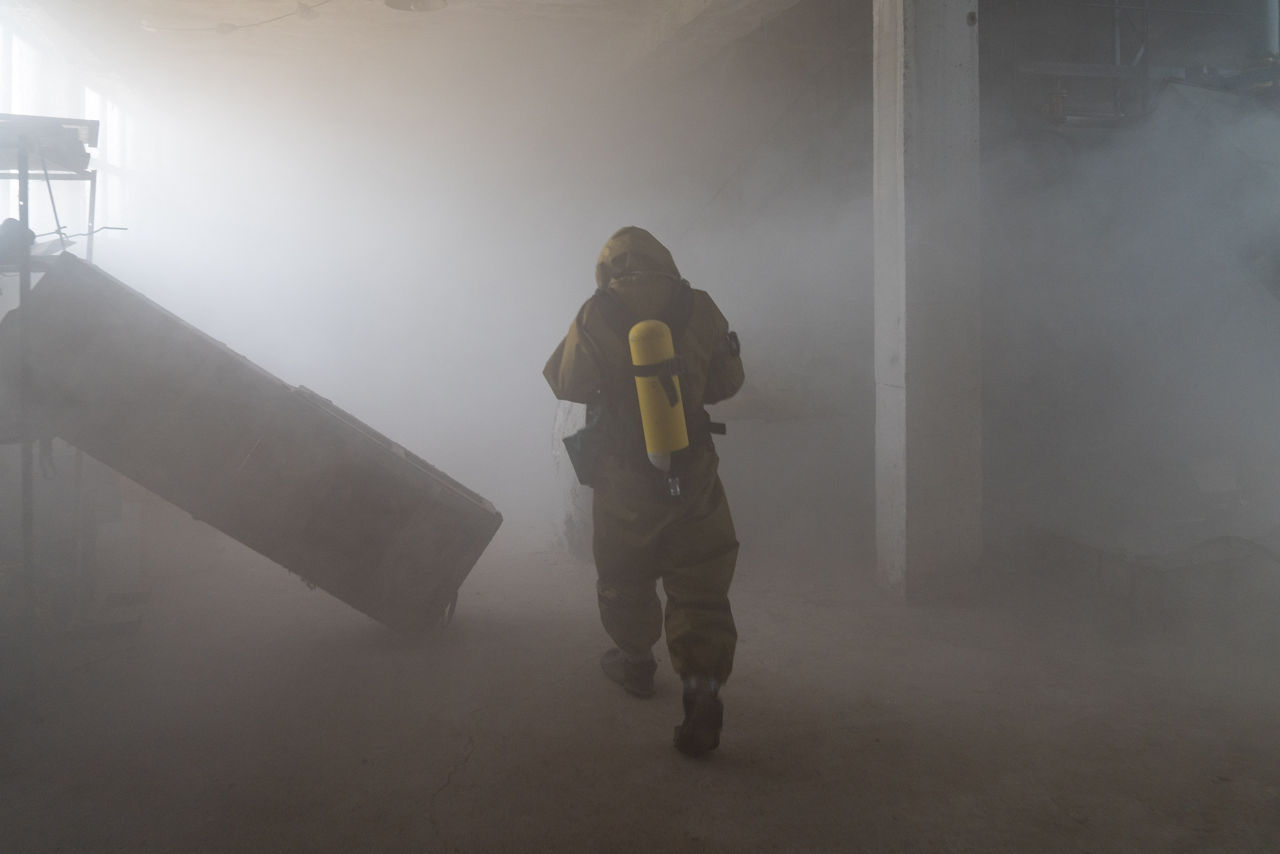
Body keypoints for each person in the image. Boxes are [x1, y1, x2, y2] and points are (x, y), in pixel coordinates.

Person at [544, 226, 744, 757]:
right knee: (700, 577)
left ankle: (635, 663)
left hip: (624, 473)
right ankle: (701, 689)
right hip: (692, 464)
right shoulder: (698, 305)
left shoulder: (596, 311)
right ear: (665, 261)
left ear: (608, 269)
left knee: (624, 571)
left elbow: (567, 382)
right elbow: (727, 383)